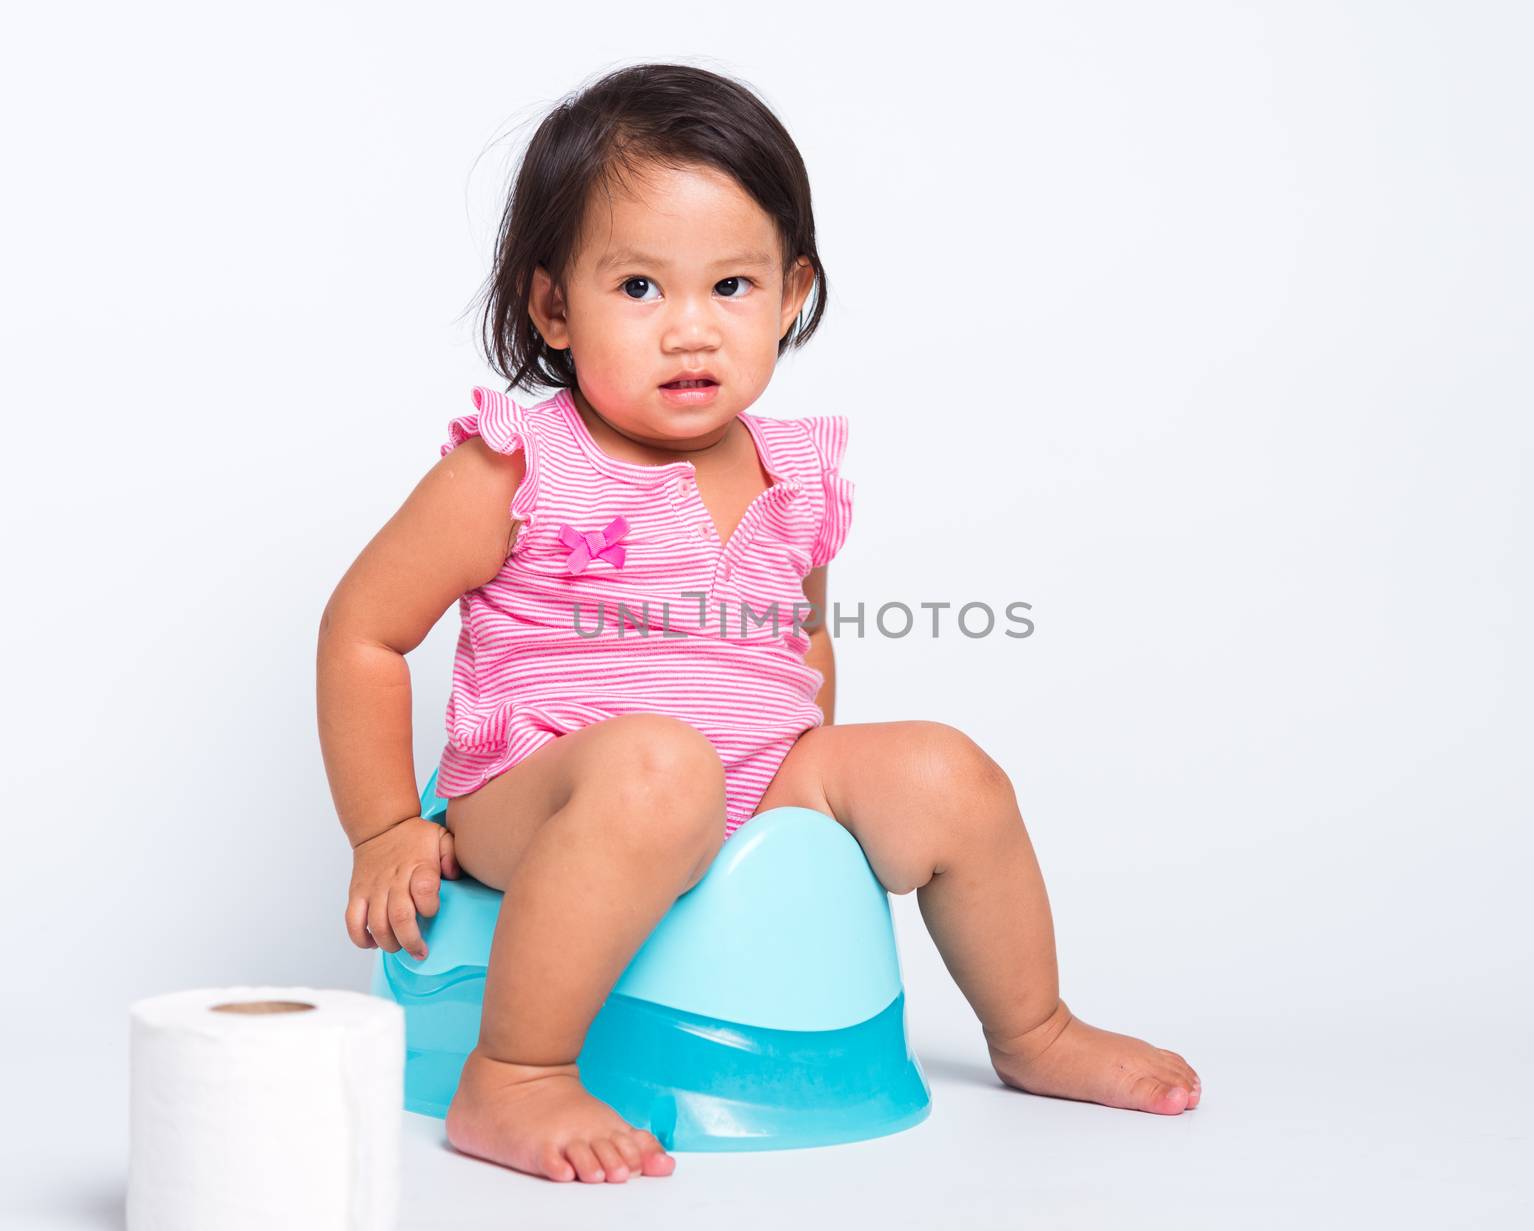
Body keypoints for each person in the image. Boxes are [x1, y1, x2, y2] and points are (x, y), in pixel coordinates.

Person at [317, 62, 1200, 1186]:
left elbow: (803, 646)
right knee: (656, 765)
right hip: (541, 790)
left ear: (791, 294)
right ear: (554, 307)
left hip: (741, 779)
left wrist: (828, 787)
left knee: (946, 770)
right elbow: (362, 629)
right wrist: (386, 825)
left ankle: (1033, 1029)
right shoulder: (517, 462)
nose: (690, 331)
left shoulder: (796, 476)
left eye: (729, 287)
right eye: (638, 288)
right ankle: (516, 1073)